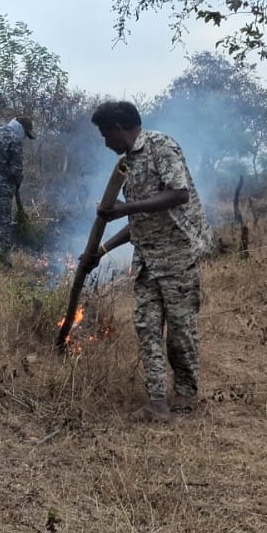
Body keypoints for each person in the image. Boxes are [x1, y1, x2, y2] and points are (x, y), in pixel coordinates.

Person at [82, 101, 213, 423]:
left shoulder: (161, 146)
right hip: (148, 258)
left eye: (104, 134)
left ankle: (185, 393)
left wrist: (126, 208)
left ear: (118, 129)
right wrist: (104, 248)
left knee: (181, 330)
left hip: (179, 254)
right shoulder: (127, 164)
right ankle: (157, 402)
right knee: (147, 327)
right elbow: (142, 219)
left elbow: (178, 194)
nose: (105, 142)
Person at [0, 115, 35, 252]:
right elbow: (16, 170)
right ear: (22, 129)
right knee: (2, 225)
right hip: (1, 190)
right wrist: (17, 183)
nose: (25, 138)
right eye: (26, 134)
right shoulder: (15, 140)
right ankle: (2, 260)